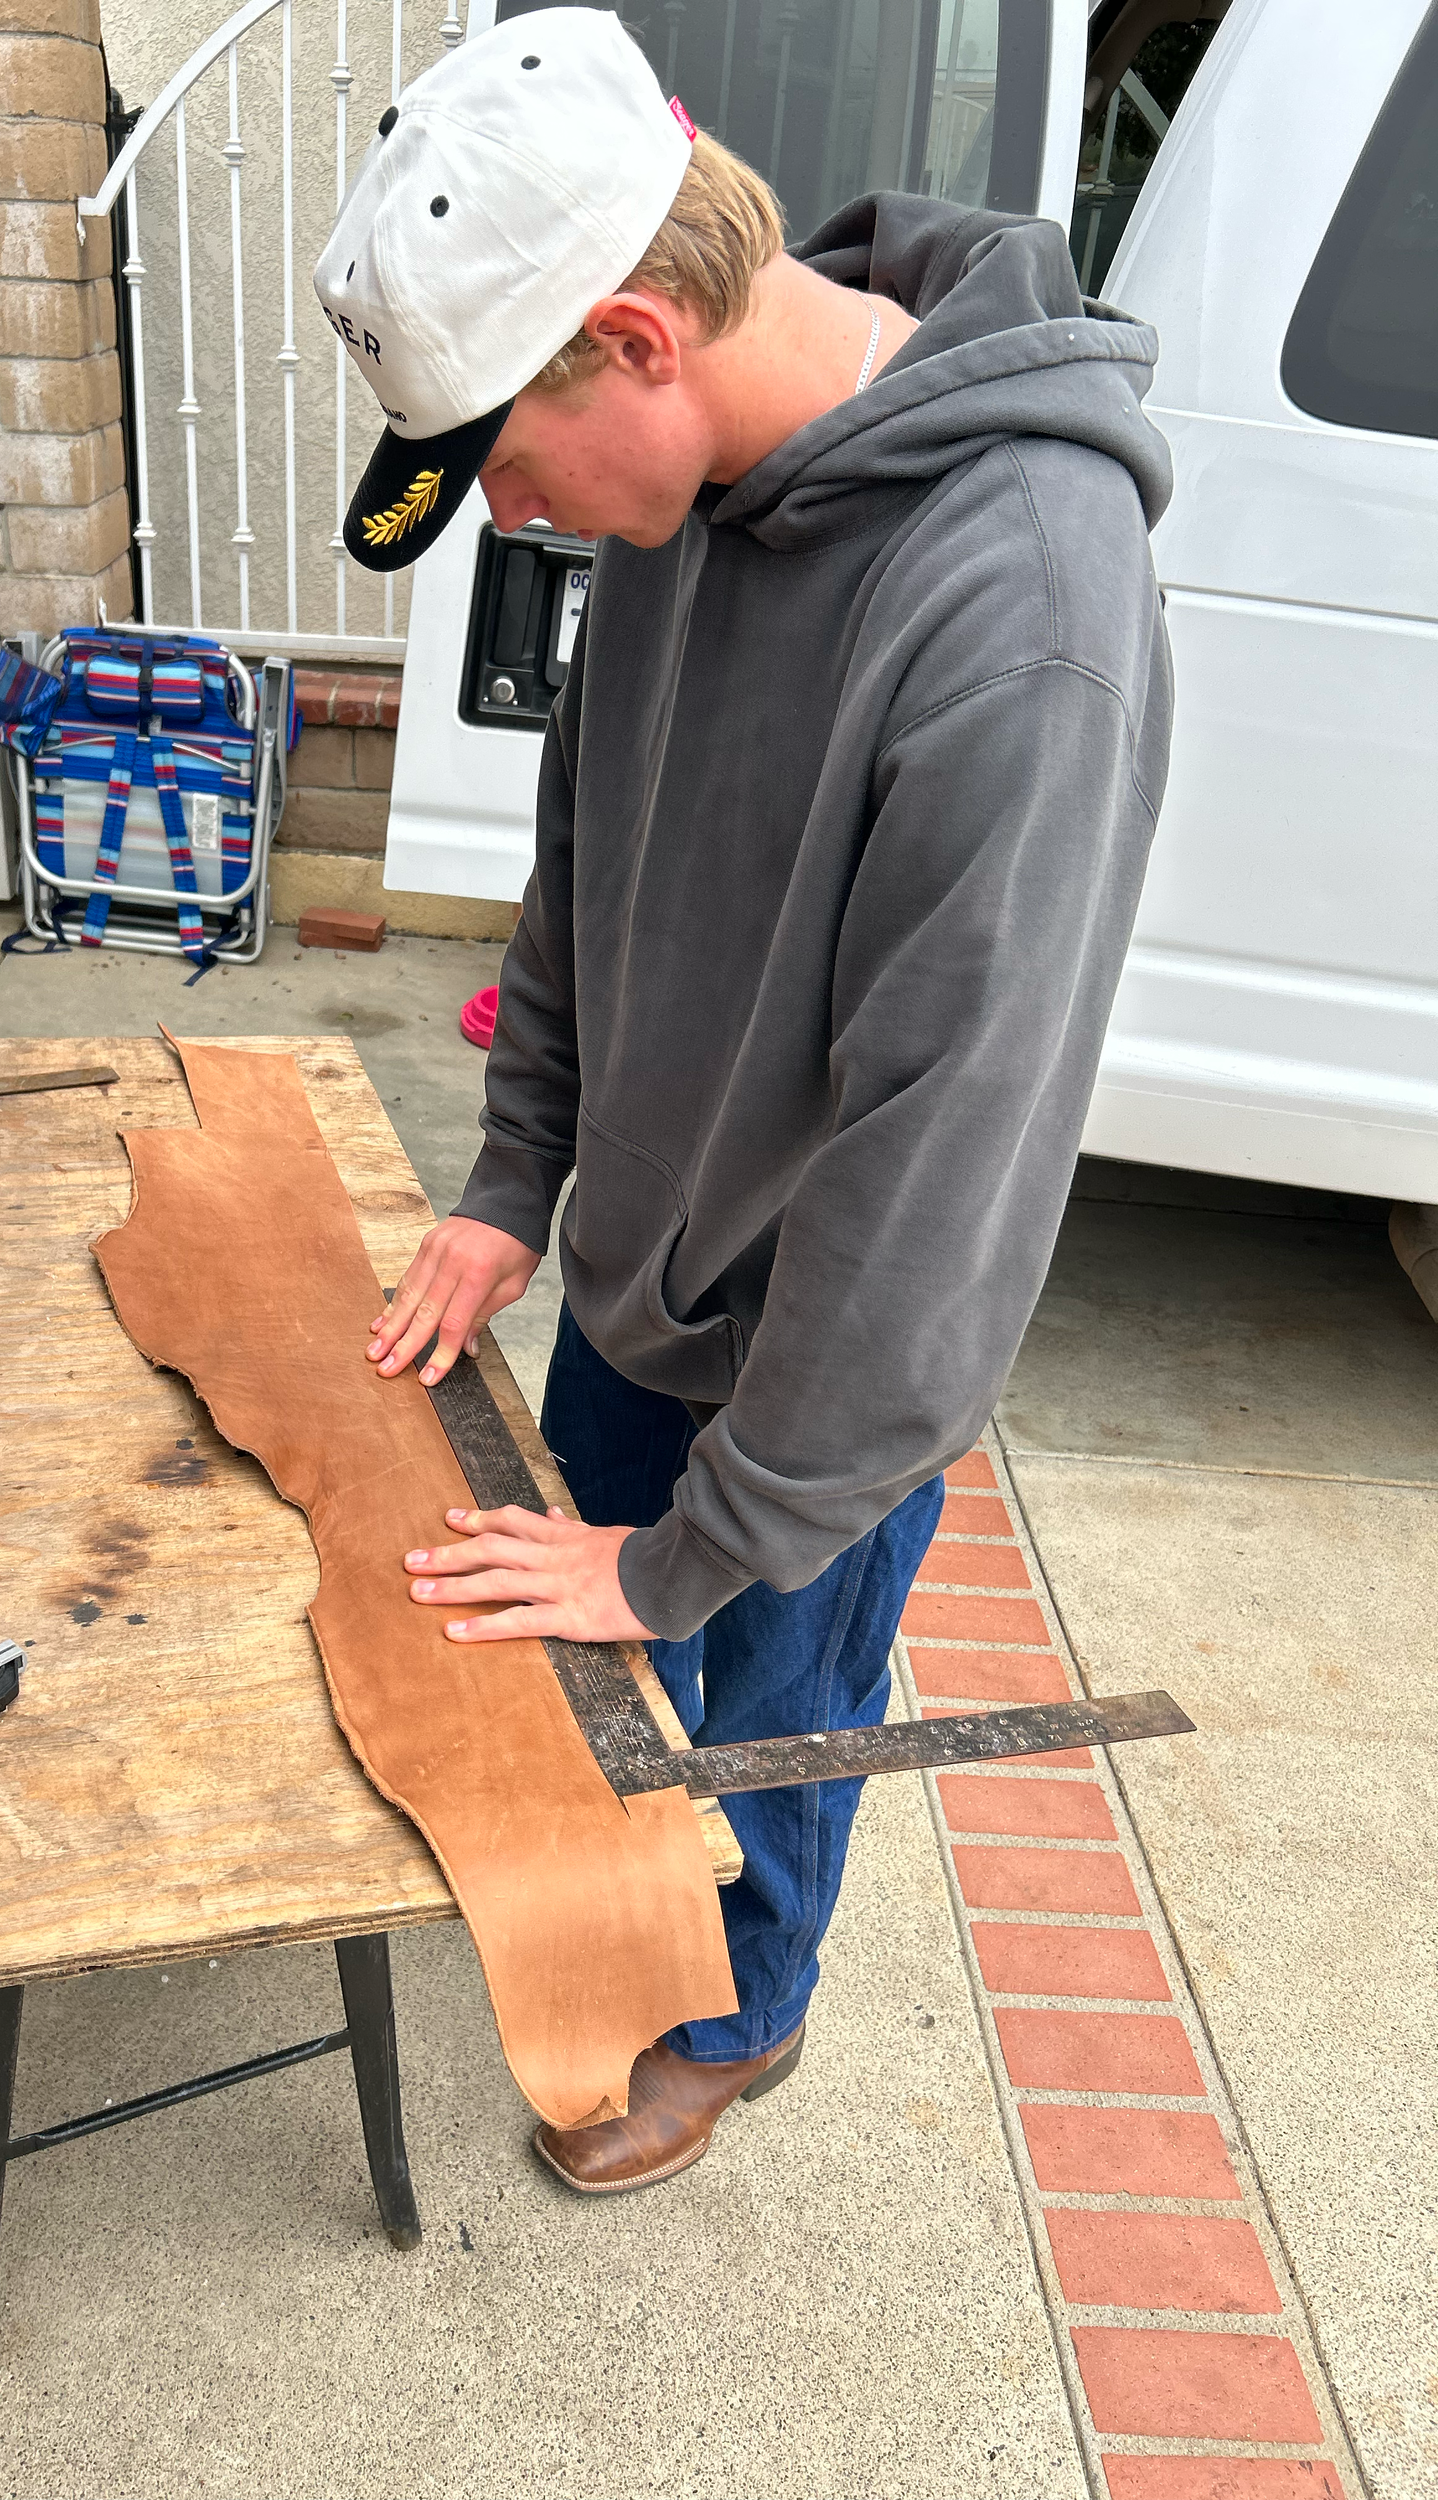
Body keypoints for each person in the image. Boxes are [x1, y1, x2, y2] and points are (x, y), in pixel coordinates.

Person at [314, 8, 1172, 2194]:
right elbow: (594, 842)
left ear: (631, 334)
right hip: (639, 1271)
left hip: (821, 1374)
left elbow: (942, 1166)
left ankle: (741, 2010)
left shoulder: (1019, 614)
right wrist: (519, 1176)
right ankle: (624, 1888)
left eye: (506, 458)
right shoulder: (688, 487)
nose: (507, 513)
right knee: (591, 1647)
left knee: (769, 1717)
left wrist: (705, 1538)